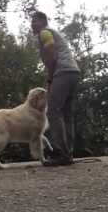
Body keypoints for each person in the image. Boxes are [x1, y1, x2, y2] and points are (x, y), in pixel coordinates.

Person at [31, 11, 81, 166]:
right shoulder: (52, 32)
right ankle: (68, 154)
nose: (32, 24)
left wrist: (51, 75)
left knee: (53, 111)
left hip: (63, 72)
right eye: (31, 21)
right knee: (66, 113)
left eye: (35, 21)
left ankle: (61, 153)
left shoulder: (45, 32)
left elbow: (51, 48)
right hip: (73, 72)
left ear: (43, 22)